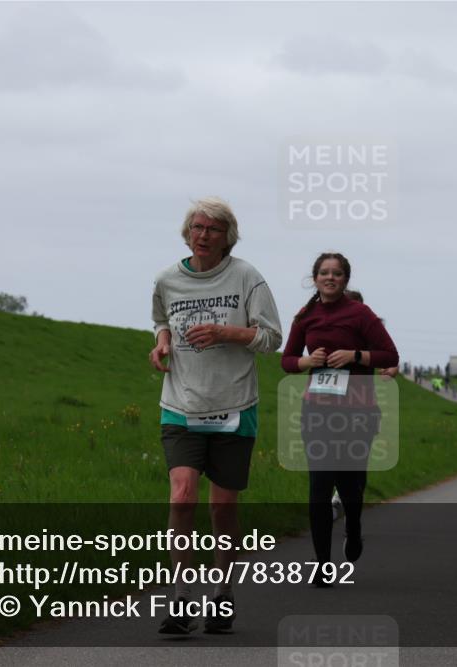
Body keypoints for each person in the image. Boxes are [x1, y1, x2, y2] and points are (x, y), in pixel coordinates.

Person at [150, 197, 282, 633]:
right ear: (187, 232)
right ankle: (181, 599)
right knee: (182, 495)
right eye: (197, 227)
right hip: (180, 404)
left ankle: (222, 595)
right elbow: (160, 320)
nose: (203, 235)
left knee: (223, 508)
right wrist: (162, 343)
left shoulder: (246, 277)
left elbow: (272, 338)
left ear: (227, 237)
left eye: (213, 230)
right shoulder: (168, 279)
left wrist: (228, 331)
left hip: (234, 406)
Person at [281, 253, 399, 581]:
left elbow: (390, 354)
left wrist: (356, 355)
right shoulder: (305, 316)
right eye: (323, 273)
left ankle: (354, 526)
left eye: (336, 273)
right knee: (319, 483)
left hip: (358, 411)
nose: (329, 278)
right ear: (315, 278)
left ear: (345, 279)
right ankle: (322, 565)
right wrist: (307, 363)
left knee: (349, 485)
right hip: (316, 411)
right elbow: (287, 360)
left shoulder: (360, 314)